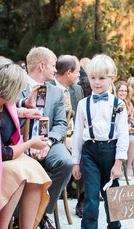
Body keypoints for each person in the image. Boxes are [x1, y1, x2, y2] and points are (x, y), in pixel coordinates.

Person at [72, 54, 129, 229]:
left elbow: (123, 134)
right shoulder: (83, 104)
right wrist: (75, 162)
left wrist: (118, 162)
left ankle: (114, 228)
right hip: (90, 152)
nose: (96, 82)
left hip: (111, 151)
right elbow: (78, 134)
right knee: (91, 196)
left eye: (101, 78)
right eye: (93, 78)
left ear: (112, 78)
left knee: (111, 195)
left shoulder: (118, 104)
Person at [0, 58, 51, 229]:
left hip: (5, 157)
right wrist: (29, 144)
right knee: (20, 173)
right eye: (17, 91)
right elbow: (3, 153)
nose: (18, 95)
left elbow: (8, 110)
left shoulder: (4, 102)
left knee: (34, 170)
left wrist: (24, 110)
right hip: (1, 159)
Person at [18, 46, 73, 229]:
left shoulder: (56, 93)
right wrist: (28, 144)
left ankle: (41, 214)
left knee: (65, 162)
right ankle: (19, 218)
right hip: (20, 142)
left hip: (48, 142)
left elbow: (60, 124)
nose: (56, 70)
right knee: (21, 165)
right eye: (53, 66)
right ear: (42, 65)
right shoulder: (17, 86)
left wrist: (48, 142)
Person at [53, 54, 85, 218]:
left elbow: (81, 118)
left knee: (88, 151)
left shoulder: (77, 89)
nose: (80, 74)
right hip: (56, 138)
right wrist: (64, 139)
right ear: (68, 72)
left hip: (75, 135)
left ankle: (82, 200)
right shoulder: (48, 87)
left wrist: (76, 137)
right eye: (78, 71)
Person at [115, 80, 134, 180]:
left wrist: (129, 125)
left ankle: (127, 171)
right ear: (116, 91)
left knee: (132, 141)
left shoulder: (128, 103)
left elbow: (131, 118)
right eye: (121, 90)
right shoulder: (113, 102)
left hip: (127, 131)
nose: (123, 93)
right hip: (115, 131)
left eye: (125, 91)